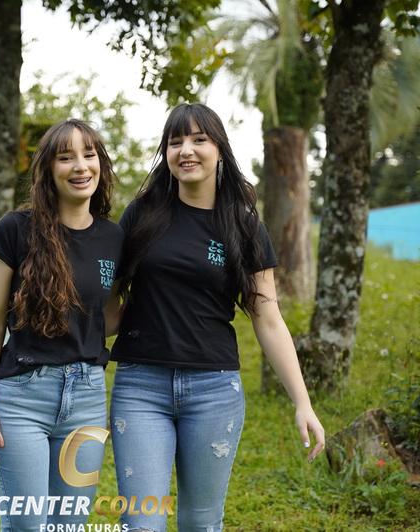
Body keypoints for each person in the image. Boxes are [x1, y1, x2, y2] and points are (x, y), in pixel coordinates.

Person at [110, 103, 325, 532]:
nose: (186, 150)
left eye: (198, 140)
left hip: (213, 391)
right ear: (166, 153)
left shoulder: (244, 227)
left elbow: (268, 319)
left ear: (220, 150)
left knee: (201, 522)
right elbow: (106, 299)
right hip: (140, 387)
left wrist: (303, 402)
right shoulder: (141, 215)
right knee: (141, 521)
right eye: (175, 142)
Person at [0, 119, 123, 532]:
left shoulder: (113, 238)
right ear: (48, 169)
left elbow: (107, 316)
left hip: (87, 398)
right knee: (26, 524)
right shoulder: (15, 229)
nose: (80, 166)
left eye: (89, 155)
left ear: (101, 164)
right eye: (66, 157)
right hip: (22, 398)